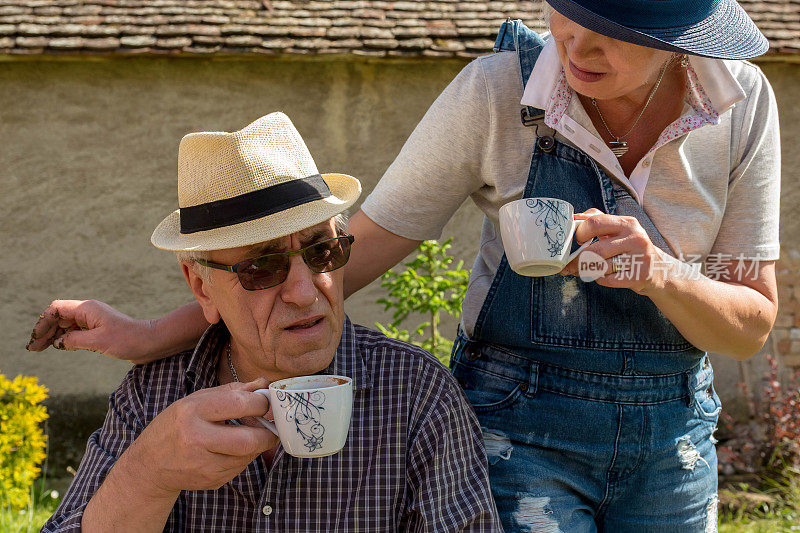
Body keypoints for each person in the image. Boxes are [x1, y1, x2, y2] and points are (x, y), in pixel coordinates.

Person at [30, 1, 781, 531]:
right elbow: (332, 264)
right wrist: (156, 335)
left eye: (611, 35)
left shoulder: (741, 105)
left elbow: (751, 327)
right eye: (566, 16)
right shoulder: (498, 91)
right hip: (520, 423)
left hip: (673, 430)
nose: (575, 49)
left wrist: (661, 273)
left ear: (679, 37)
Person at [39, 112, 501, 532]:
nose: (306, 291)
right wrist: (148, 473)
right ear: (201, 287)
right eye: (262, 266)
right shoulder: (153, 396)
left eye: (322, 250)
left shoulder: (415, 396)